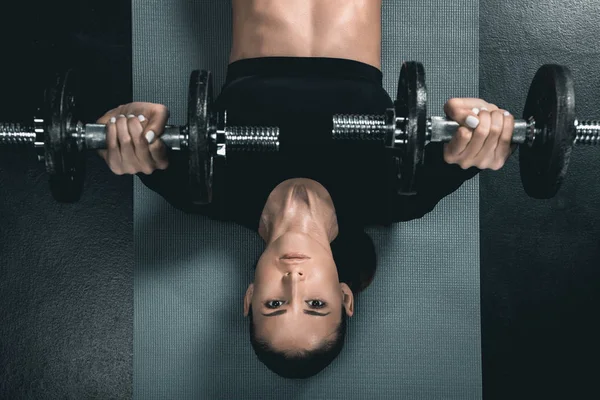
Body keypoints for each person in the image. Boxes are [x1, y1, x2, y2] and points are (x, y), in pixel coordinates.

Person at [96, 0, 515, 379]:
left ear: (249, 297)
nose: (293, 281)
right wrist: (487, 128)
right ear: (345, 297)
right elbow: (468, 131)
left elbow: (130, 132)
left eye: (274, 305)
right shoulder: (400, 196)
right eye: (316, 304)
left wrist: (124, 131)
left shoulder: (205, 192)